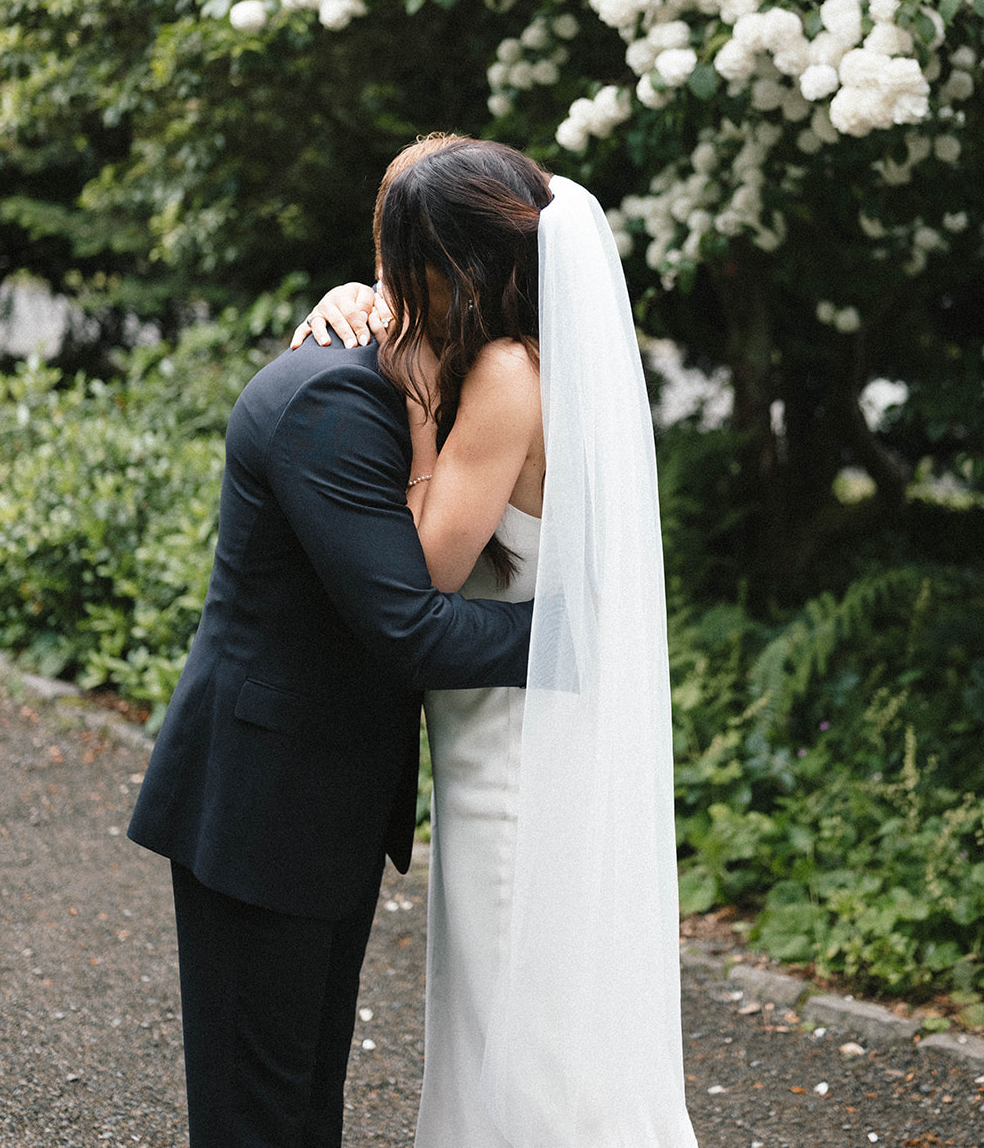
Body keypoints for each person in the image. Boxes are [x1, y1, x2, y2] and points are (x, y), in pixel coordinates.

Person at [296, 137, 698, 1148]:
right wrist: (360, 303)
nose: (392, 285)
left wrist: (424, 415)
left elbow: (430, 568)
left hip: (510, 759)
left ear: (455, 265)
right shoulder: (539, 356)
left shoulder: (509, 377)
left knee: (527, 1020)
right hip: (505, 728)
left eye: (402, 263)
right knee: (524, 1004)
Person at [127, 176, 535, 1148]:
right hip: (264, 800)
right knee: (257, 1113)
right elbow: (410, 629)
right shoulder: (333, 403)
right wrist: (580, 639)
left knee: (304, 1101)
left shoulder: (411, 375)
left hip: (326, 798)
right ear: (464, 275)